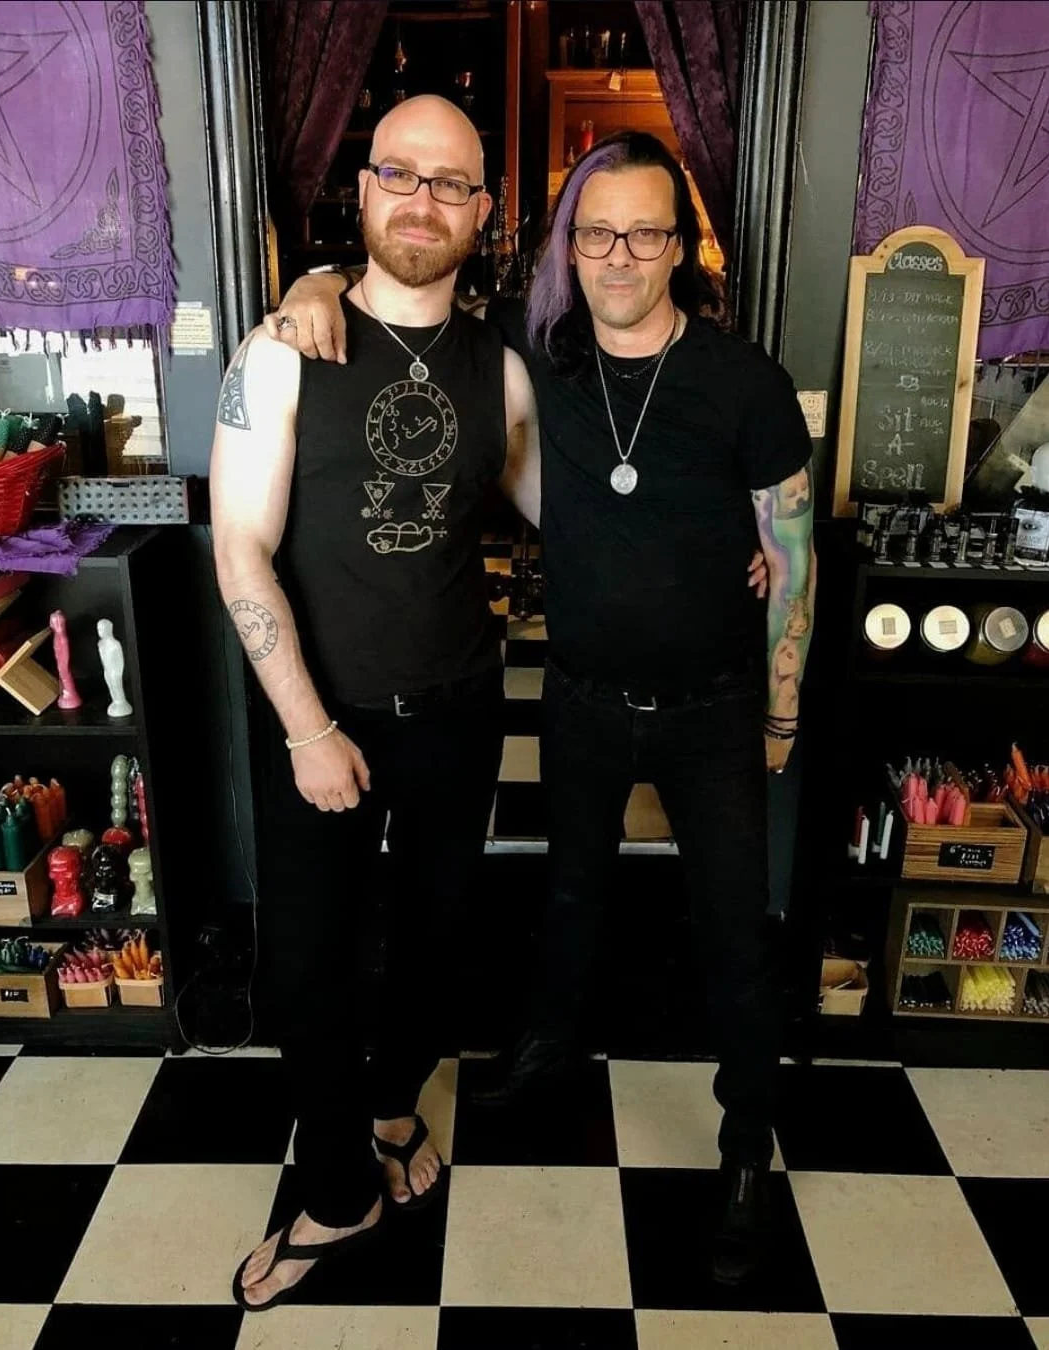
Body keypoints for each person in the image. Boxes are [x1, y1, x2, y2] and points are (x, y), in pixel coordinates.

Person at [269, 130, 814, 1286]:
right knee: (568, 895)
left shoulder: (744, 380)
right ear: (569, 241)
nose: (618, 255)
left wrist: (778, 713)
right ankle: (546, 1053)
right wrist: (307, 283)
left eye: (645, 231)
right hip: (578, 696)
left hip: (716, 708)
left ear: (680, 245)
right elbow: (399, 281)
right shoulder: (530, 347)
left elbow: (793, 558)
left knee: (731, 933)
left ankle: (743, 1144)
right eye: (595, 230)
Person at [209, 94, 539, 1311]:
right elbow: (239, 549)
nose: (422, 199)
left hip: (456, 703)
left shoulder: (500, 364)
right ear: (361, 192)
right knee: (307, 963)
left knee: (438, 937)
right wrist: (306, 728)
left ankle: (396, 1110)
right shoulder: (281, 347)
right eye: (399, 174)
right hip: (318, 713)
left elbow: (568, 513)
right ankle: (335, 1187)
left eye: (451, 183)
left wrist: (732, 550)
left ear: (483, 215)